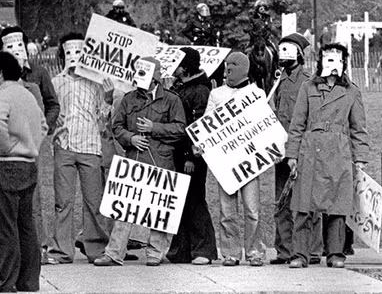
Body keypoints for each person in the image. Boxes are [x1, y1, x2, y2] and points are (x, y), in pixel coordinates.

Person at [0, 26, 59, 263]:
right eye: (9, 46)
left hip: (13, 155)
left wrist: (4, 147)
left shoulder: (30, 80)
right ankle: (25, 268)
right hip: (22, 151)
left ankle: (12, 268)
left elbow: (45, 112)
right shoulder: (2, 88)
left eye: (19, 45)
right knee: (19, 212)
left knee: (13, 212)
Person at [94, 57, 186, 267]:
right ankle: (114, 252)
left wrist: (154, 128)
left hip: (161, 161)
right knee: (124, 207)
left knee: (160, 208)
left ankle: (155, 252)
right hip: (134, 161)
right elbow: (117, 126)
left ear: (155, 77)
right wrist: (130, 138)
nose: (138, 79)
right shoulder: (128, 99)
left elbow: (181, 129)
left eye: (143, 74)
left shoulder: (172, 100)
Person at [286, 44, 370, 269]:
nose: (333, 64)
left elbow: (358, 128)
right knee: (303, 204)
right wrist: (292, 154)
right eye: (328, 59)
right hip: (311, 151)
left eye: (338, 60)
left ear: (344, 63)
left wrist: (360, 158)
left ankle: (335, 254)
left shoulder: (352, 91)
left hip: (338, 153)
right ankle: (299, 254)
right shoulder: (307, 87)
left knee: (337, 207)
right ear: (321, 61)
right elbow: (297, 124)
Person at [0, 51, 47, 293]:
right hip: (29, 165)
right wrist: (30, 147)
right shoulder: (27, 94)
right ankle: (28, 281)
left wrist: (5, 149)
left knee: (5, 226)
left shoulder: (3, 93)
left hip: (7, 166)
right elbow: (44, 125)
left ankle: (5, 282)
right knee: (25, 225)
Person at [46, 34, 114, 264]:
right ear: (63, 55)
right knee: (63, 202)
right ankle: (61, 251)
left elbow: (103, 119)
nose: (74, 57)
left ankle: (96, 249)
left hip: (90, 146)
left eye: (78, 52)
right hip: (63, 146)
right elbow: (50, 113)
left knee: (94, 201)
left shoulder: (96, 83)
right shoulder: (56, 82)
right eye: (69, 53)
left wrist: (108, 98)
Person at [206, 52, 265, 267]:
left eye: (232, 66)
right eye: (226, 65)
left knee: (252, 210)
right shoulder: (216, 94)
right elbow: (207, 123)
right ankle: (230, 252)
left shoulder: (257, 94)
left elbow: (264, 125)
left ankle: (255, 251)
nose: (228, 69)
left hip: (249, 159)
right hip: (226, 161)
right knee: (227, 210)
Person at [270, 33, 320, 266]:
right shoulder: (278, 81)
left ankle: (312, 249)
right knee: (282, 200)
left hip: (302, 149)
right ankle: (285, 249)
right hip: (280, 149)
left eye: (288, 51)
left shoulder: (309, 82)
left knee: (306, 200)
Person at [166, 47, 218, 265]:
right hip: (179, 153)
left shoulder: (200, 92)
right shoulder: (182, 87)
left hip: (192, 156)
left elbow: (197, 127)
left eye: (177, 63)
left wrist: (190, 156)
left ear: (185, 67)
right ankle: (182, 250)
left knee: (195, 199)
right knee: (183, 200)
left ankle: (203, 250)